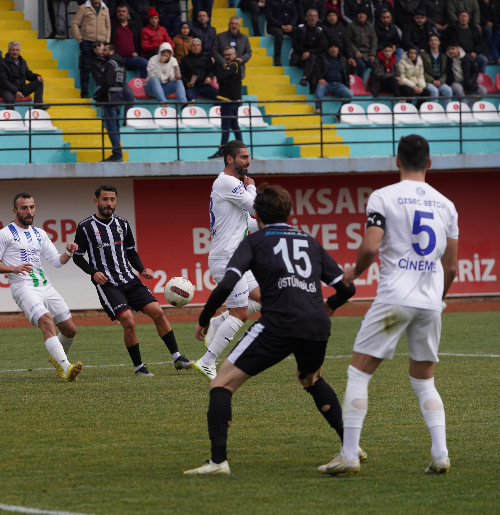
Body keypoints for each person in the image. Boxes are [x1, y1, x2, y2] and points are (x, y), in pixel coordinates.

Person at [184, 183, 357, 476]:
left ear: (257, 214)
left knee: (221, 385)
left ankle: (217, 462)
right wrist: (329, 306)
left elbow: (227, 283)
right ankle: (351, 450)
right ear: (288, 211)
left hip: (279, 323)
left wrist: (203, 318)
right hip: (316, 322)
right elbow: (346, 288)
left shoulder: (255, 241)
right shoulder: (308, 240)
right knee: (310, 378)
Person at [319, 135, 457, 476]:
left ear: (397, 161)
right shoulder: (447, 205)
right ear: (429, 162)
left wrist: (353, 272)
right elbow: (451, 267)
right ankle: (440, 453)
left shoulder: (383, 196)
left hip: (395, 299)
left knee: (358, 372)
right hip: (429, 301)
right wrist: (438, 300)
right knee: (425, 380)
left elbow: (370, 247)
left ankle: (349, 454)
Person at [72, 185, 194, 376]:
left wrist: (142, 269)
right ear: (96, 201)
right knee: (128, 321)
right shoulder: (85, 227)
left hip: (130, 279)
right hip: (108, 284)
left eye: (112, 199)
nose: (109, 203)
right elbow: (78, 256)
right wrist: (93, 272)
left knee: (158, 312)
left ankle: (177, 357)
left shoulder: (123, 224)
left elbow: (130, 251)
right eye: (105, 199)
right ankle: (139, 367)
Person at [0, 193, 83, 381]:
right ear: (15, 211)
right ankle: (66, 367)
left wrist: (68, 253)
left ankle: (56, 360)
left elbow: (56, 261)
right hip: (24, 287)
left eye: (31, 207)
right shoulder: (4, 234)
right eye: (24, 208)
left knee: (70, 330)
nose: (29, 211)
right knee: (47, 322)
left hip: (45, 286)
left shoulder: (40, 233)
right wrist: (13, 268)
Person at [198, 142, 263, 381]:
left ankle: (218, 322)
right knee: (241, 313)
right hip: (226, 258)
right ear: (229, 159)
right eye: (243, 157)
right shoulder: (228, 182)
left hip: (235, 258)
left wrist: (274, 228)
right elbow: (255, 207)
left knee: (264, 298)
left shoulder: (232, 185)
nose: (248, 161)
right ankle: (208, 361)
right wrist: (252, 188)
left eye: (248, 157)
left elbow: (248, 223)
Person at [209, 47, 244, 160]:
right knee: (234, 126)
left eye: (229, 55)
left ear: (235, 54)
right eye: (225, 55)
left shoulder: (233, 65)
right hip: (232, 101)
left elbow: (220, 76)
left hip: (228, 102)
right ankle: (242, 151)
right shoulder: (234, 65)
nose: (227, 57)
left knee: (226, 128)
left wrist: (222, 75)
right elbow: (222, 78)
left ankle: (222, 151)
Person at [72, 0, 111, 99]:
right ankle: (84, 92)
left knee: (101, 67)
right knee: (85, 67)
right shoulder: (83, 8)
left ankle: (102, 90)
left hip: (101, 42)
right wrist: (80, 39)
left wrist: (106, 41)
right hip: (87, 42)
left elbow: (108, 26)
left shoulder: (105, 9)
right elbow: (74, 24)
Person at [94, 44, 125, 162]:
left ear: (111, 51)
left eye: (105, 50)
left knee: (111, 128)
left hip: (109, 99)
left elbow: (107, 82)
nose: (102, 51)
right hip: (118, 99)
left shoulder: (110, 64)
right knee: (115, 128)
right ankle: (116, 152)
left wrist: (98, 95)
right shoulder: (120, 64)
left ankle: (117, 154)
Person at [0, 41, 46, 110]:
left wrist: (37, 76)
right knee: (9, 99)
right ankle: (12, 119)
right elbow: (3, 81)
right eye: (13, 50)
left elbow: (28, 74)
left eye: (17, 50)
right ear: (8, 51)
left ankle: (38, 106)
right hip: (8, 90)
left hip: (21, 88)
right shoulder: (2, 63)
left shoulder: (23, 61)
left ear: (19, 51)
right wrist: (15, 91)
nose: (15, 52)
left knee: (39, 82)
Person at [111, 4, 148, 78]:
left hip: (131, 59)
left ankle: (142, 87)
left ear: (128, 13)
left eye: (123, 11)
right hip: (116, 58)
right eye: (119, 11)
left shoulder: (135, 25)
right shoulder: (112, 25)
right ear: (116, 13)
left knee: (145, 63)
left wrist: (137, 52)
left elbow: (140, 41)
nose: (121, 13)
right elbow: (108, 41)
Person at [291, 9, 327, 86]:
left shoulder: (319, 31)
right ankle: (307, 79)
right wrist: (304, 52)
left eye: (315, 16)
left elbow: (322, 46)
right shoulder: (299, 28)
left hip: (312, 57)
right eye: (310, 16)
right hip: (299, 58)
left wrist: (309, 52)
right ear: (306, 18)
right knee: (313, 60)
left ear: (317, 18)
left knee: (317, 60)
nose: (312, 18)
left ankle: (306, 80)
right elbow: (295, 44)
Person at [314, 42, 354, 108]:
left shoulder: (343, 59)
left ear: (338, 49)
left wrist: (347, 86)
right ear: (328, 49)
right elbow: (316, 69)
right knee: (319, 89)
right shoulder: (322, 57)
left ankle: (339, 114)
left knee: (349, 94)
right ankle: (318, 109)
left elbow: (346, 74)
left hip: (339, 85)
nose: (333, 49)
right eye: (331, 47)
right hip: (326, 83)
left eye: (335, 47)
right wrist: (320, 78)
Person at [421, 34, 453, 104]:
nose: (433, 41)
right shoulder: (424, 55)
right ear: (429, 43)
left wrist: (441, 81)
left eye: (435, 40)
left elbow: (445, 71)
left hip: (440, 81)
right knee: (434, 91)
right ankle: (434, 113)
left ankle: (447, 112)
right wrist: (432, 80)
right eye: (431, 40)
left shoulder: (444, 55)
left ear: (439, 43)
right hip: (428, 82)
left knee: (448, 90)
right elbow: (422, 71)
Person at [347, 5, 377, 79]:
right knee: (361, 65)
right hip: (356, 54)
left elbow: (374, 40)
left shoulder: (370, 26)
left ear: (366, 15)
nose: (361, 15)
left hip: (367, 53)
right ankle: (359, 84)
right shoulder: (350, 26)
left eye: (363, 13)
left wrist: (372, 54)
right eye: (359, 13)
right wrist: (355, 51)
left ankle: (372, 85)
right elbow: (348, 40)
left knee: (375, 64)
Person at [265, 0, 297, 67]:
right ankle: (277, 58)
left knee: (298, 32)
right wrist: (281, 25)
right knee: (279, 34)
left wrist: (291, 25)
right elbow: (269, 17)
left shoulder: (290, 1)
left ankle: (295, 57)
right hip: (274, 26)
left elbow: (295, 14)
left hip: (288, 25)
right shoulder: (269, 1)